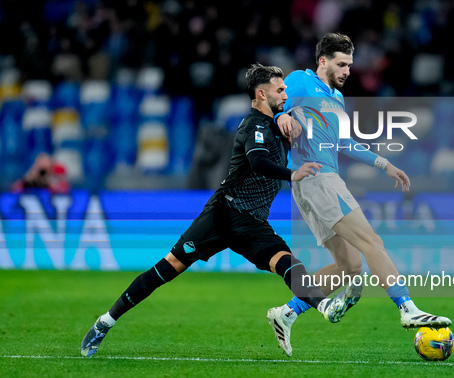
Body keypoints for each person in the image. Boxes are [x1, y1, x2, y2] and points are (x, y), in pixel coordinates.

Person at [81, 64, 353, 357]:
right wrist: (292, 174)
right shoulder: (253, 127)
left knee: (287, 263)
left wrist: (288, 117)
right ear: (262, 94)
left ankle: (324, 306)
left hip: (252, 222)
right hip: (223, 214)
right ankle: (104, 322)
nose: (286, 93)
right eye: (280, 90)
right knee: (167, 268)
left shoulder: (278, 122)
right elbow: (259, 162)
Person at [266, 33, 452, 357]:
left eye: (350, 65)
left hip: (314, 184)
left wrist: (385, 164)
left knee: (349, 266)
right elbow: (270, 105)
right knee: (372, 242)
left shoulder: (335, 99)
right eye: (341, 64)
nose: (348, 71)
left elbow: (344, 143)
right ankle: (407, 307)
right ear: (322, 61)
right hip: (318, 178)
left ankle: (287, 313)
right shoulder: (299, 82)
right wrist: (281, 115)